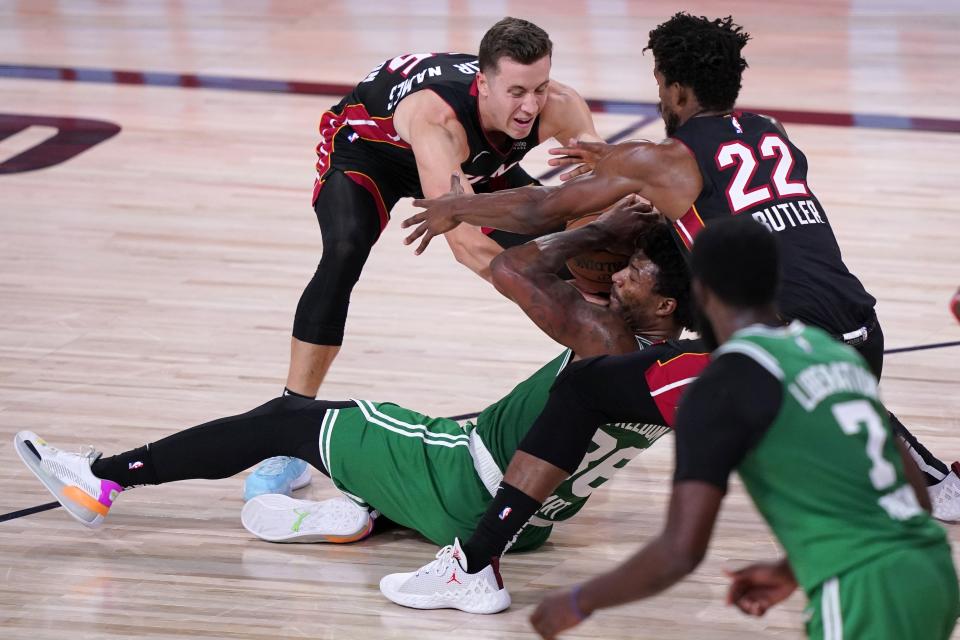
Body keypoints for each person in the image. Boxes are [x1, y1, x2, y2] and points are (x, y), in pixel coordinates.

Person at [392, 13, 957, 587]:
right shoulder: (770, 131)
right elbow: (707, 175)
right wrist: (626, 162)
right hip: (863, 341)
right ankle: (937, 481)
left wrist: (457, 208)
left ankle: (473, 565)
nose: (659, 94)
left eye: (661, 82)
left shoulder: (666, 160)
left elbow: (542, 211)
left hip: (785, 366)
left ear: (677, 88)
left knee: (583, 392)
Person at [14, 212, 708, 615]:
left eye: (634, 273)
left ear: (666, 306)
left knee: (289, 421)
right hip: (527, 527)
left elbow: (515, 268)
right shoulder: (673, 372)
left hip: (460, 481)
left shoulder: (608, 338)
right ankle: (369, 509)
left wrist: (602, 225)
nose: (617, 275)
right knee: (453, 420)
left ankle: (101, 478)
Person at [527, 217, 959, 640]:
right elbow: (915, 495)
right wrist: (789, 570)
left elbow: (680, 551)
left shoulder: (722, 385)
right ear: (776, 283)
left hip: (862, 587)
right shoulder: (830, 352)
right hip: (932, 569)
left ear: (700, 290)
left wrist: (578, 601)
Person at [247, 16, 607, 498]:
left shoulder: (560, 106)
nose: (530, 106)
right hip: (370, 152)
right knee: (345, 250)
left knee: (579, 248)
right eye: (517, 91)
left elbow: (606, 192)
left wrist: (604, 255)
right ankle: (288, 430)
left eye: (539, 88)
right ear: (483, 84)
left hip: (470, 168)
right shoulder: (439, 120)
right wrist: (558, 306)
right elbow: (465, 244)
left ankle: (603, 383)